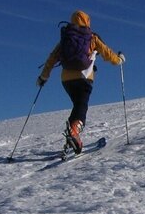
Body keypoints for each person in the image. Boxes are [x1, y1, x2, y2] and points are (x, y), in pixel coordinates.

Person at [37, 10, 124, 153]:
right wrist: (119, 60)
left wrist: (43, 77)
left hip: (66, 80)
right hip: (84, 78)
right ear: (87, 21)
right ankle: (75, 133)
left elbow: (51, 59)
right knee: (81, 105)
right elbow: (107, 53)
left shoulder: (65, 40)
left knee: (77, 105)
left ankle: (71, 139)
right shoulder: (91, 38)